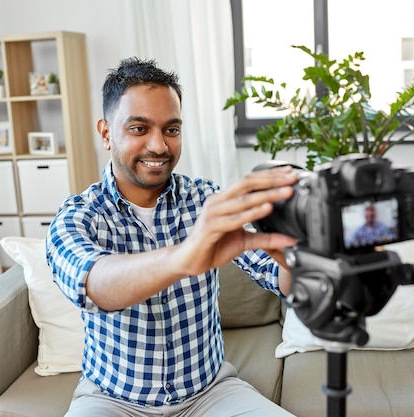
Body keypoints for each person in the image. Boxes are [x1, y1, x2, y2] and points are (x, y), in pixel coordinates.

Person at [46, 57, 298, 417]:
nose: (159, 147)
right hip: (111, 400)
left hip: (211, 393)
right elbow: (94, 284)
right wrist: (185, 256)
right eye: (138, 129)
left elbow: (284, 282)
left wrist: (295, 250)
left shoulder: (206, 199)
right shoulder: (78, 216)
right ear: (106, 133)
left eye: (171, 130)